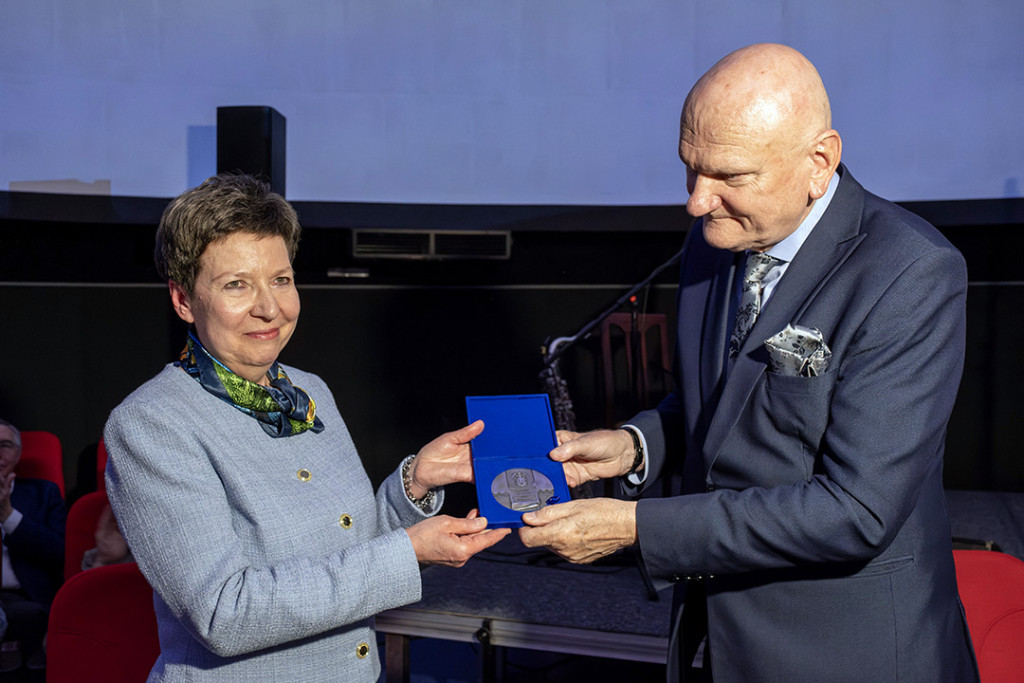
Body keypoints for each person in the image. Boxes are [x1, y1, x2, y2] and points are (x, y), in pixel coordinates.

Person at [519, 43, 978, 682]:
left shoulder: (909, 272)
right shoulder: (716, 240)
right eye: (690, 169)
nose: (697, 202)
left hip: (852, 656)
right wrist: (637, 446)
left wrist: (636, 526)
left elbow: (856, 510)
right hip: (719, 643)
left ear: (820, 162)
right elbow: (727, 403)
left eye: (729, 176)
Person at [104, 174, 510, 682]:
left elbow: (349, 550)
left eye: (281, 279)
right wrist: (409, 552)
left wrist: (414, 483)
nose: (269, 307)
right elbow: (224, 613)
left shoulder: (308, 389)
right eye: (236, 285)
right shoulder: (151, 424)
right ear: (184, 300)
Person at [0, 418, 65, 673]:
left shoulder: (42, 493)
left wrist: (7, 514)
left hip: (27, 598)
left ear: (19, 453)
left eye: (4, 445)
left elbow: (59, 553)